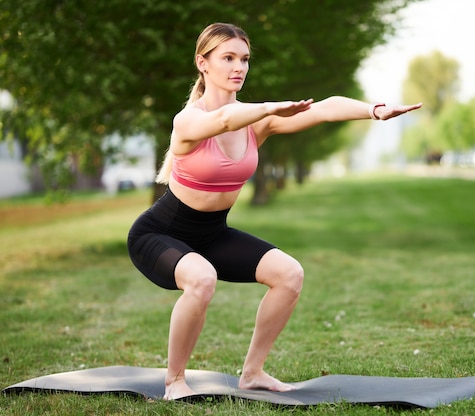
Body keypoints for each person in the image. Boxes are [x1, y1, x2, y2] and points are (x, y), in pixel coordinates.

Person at [127, 22, 422, 400]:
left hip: (212, 234)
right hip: (159, 235)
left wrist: (375, 110)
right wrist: (268, 107)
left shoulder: (258, 122)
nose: (239, 67)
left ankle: (252, 373)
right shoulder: (188, 120)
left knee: (288, 274)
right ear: (202, 63)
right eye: (228, 58)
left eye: (245, 59)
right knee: (201, 279)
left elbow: (326, 108)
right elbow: (222, 120)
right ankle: (175, 382)